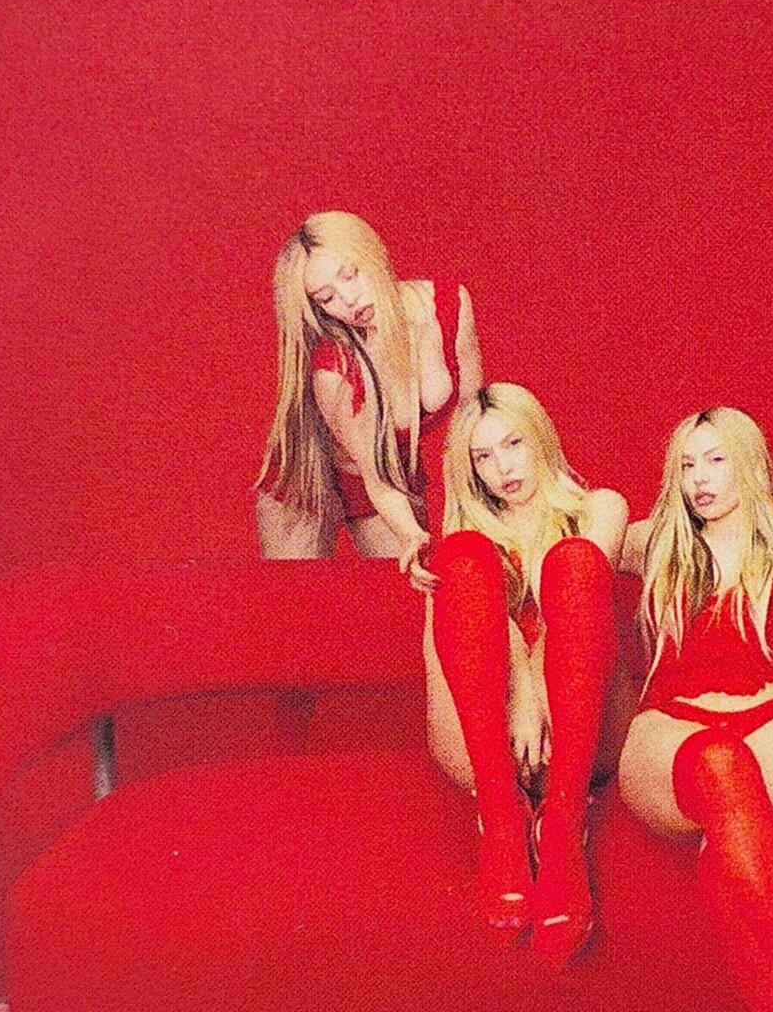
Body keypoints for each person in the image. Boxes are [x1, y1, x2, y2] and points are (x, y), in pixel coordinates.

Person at [614, 408, 773, 1012]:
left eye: (716, 460)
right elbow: (555, 537)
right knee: (719, 763)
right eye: (687, 465)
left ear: (750, 463)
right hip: (671, 724)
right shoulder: (651, 543)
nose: (700, 478)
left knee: (734, 857)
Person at [424, 384, 628, 968]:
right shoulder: (468, 538)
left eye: (513, 444)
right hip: (487, 743)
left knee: (576, 563)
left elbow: (575, 613)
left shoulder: (601, 508)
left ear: (541, 437)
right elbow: (461, 643)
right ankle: (502, 819)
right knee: (459, 561)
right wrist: (515, 678)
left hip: (579, 734)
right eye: (483, 457)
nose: (502, 468)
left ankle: (561, 829)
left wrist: (536, 687)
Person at [254, 210, 481, 579]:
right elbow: (375, 478)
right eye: (326, 297)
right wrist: (410, 534)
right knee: (297, 602)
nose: (348, 299)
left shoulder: (450, 306)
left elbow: (472, 423)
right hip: (307, 478)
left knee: (408, 588)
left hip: (389, 471)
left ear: (373, 252)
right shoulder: (334, 369)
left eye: (351, 274)